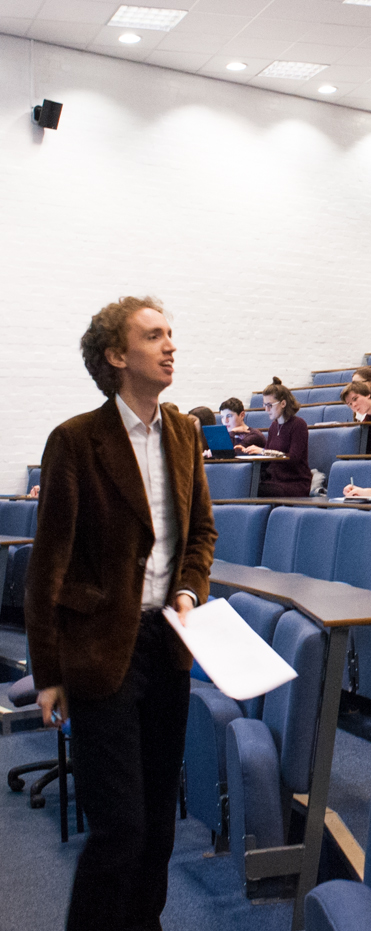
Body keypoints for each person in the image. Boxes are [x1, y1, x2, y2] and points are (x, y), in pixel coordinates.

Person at [27, 297, 218, 931]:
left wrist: (189, 592)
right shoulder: (76, 441)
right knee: (120, 830)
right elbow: (47, 567)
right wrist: (49, 669)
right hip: (99, 651)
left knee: (159, 826)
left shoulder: (185, 433)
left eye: (171, 333)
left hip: (166, 644)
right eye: (154, 335)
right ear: (117, 356)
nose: (170, 345)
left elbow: (201, 536)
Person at [244, 378, 312, 496]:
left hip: (295, 483)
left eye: (270, 405)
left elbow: (293, 458)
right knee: (245, 486)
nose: (266, 409)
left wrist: (264, 452)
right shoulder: (273, 427)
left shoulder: (298, 424)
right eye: (265, 405)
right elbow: (269, 460)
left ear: (283, 403)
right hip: (275, 480)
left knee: (254, 491)